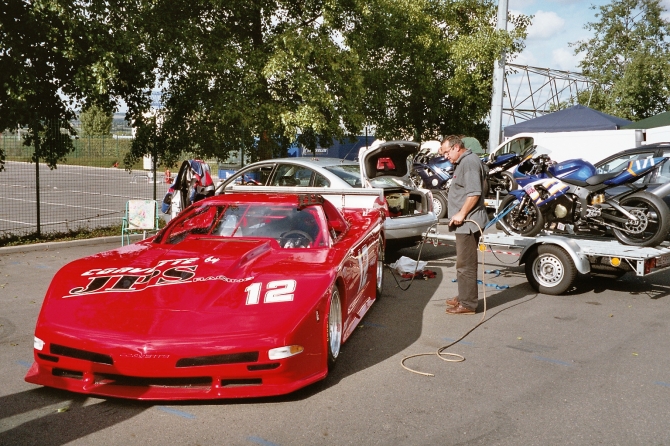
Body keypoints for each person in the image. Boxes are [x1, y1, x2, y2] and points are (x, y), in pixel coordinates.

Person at [440, 135, 489, 315]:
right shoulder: (464, 162)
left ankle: (468, 304)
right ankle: (463, 296)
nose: (446, 156)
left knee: (465, 265)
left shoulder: (469, 162)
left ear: (456, 147)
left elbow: (474, 193)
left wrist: (461, 213)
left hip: (469, 223)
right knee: (462, 263)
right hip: (465, 223)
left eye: (446, 152)